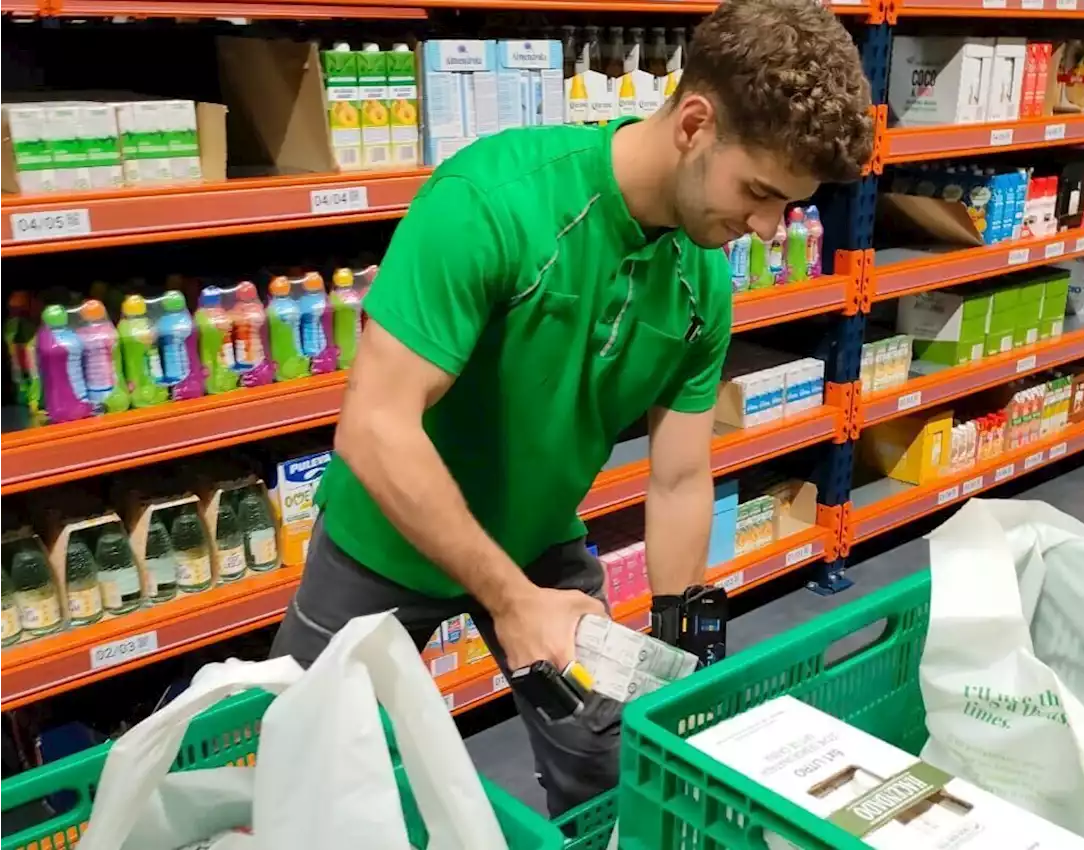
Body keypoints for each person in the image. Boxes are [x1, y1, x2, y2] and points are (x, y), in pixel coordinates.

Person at [269, 0, 874, 816]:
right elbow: (374, 430)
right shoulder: (494, 201)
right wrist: (511, 602)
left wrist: (681, 644)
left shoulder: (701, 281)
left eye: (787, 207)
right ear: (694, 123)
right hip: (384, 541)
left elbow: (681, 476)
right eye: (760, 192)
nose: (768, 229)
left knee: (618, 764)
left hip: (537, 538)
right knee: (302, 774)